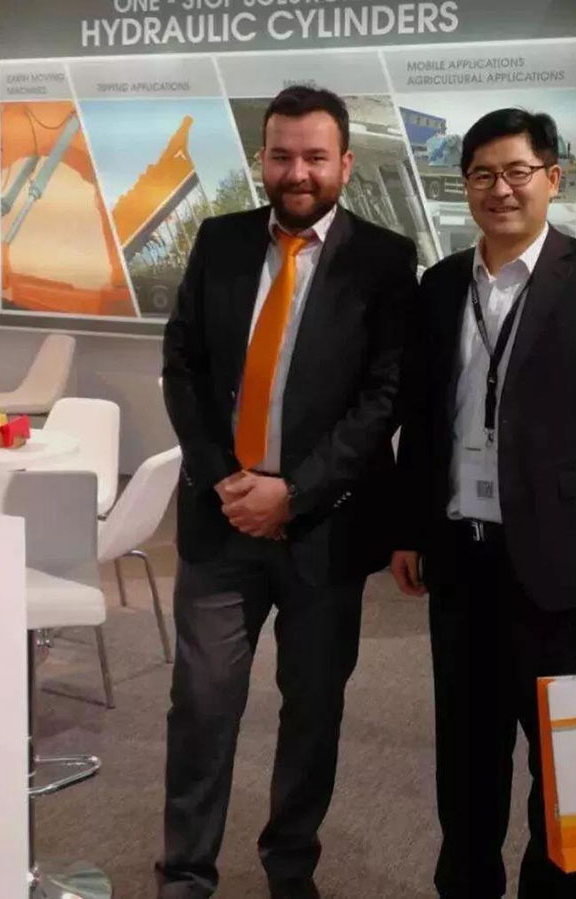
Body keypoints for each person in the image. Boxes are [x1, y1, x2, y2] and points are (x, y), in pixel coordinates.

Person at [158, 85, 417, 899]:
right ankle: (185, 874)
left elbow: (383, 398)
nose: (296, 172)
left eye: (314, 157)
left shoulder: (385, 259)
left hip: (324, 533)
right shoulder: (220, 240)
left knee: (312, 712)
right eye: (281, 155)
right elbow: (182, 365)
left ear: (345, 162)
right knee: (201, 708)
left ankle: (290, 867)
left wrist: (295, 493)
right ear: (262, 159)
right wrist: (223, 478)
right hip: (221, 521)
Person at [391, 108, 576, 898]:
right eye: (482, 174)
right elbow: (423, 419)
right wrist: (411, 529)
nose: (499, 189)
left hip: (559, 564)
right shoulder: (442, 284)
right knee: (465, 758)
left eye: (516, 171)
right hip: (461, 557)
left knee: (564, 762)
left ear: (552, 177)